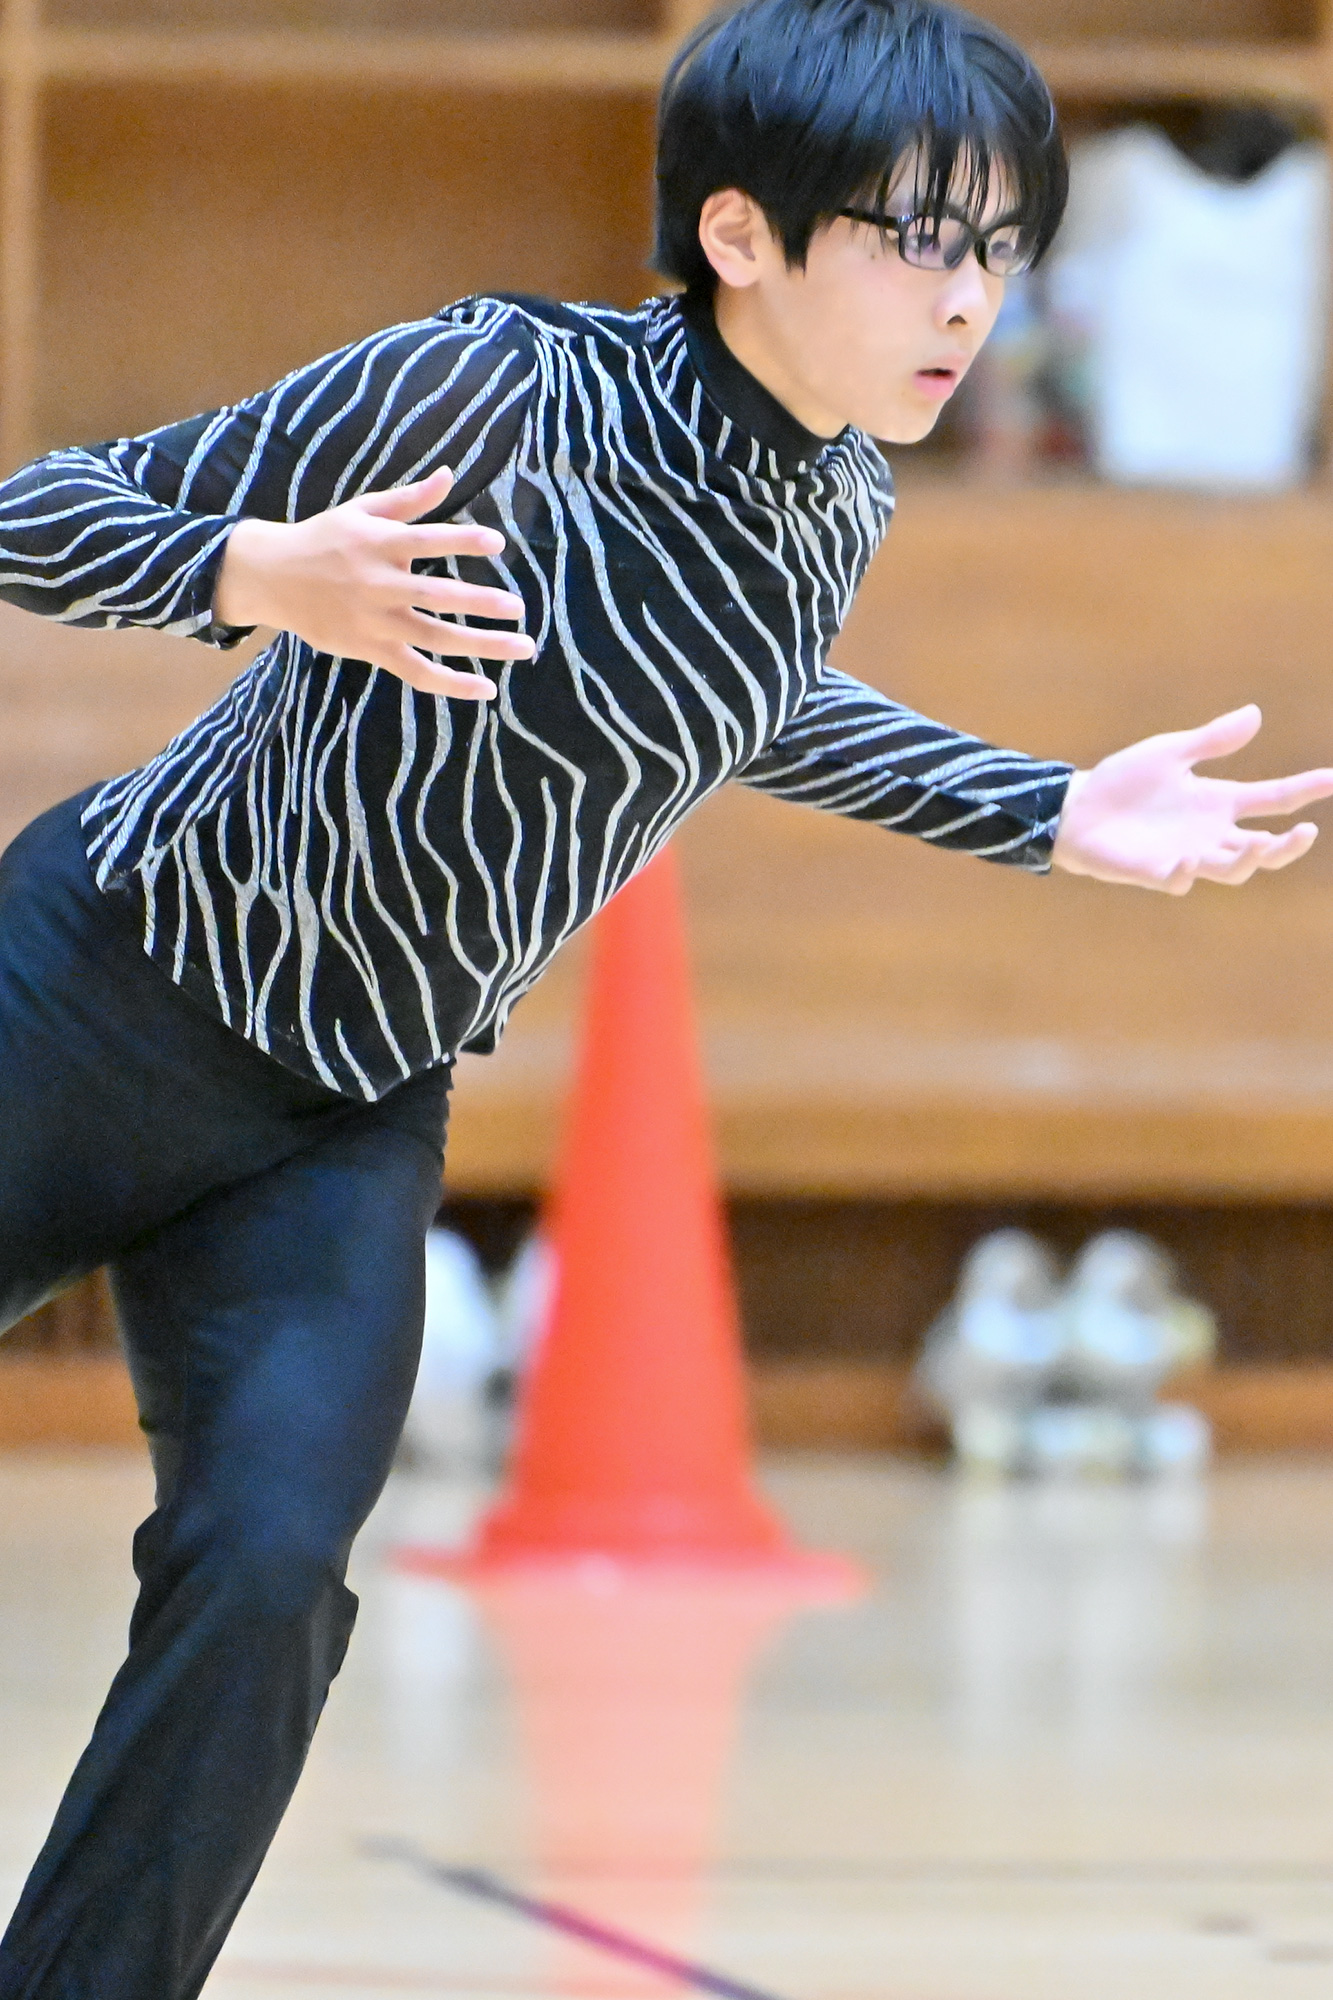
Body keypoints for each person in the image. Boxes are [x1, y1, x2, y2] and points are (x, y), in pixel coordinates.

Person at [0, 1, 1328, 1993]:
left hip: (341, 1111)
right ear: (736, 234)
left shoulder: (835, 500)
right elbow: (36, 519)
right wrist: (261, 574)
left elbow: (742, 697)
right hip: (105, 986)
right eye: (916, 240)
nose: (965, 298)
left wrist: (1046, 807)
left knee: (267, 1579)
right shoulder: (489, 384)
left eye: (997, 247)